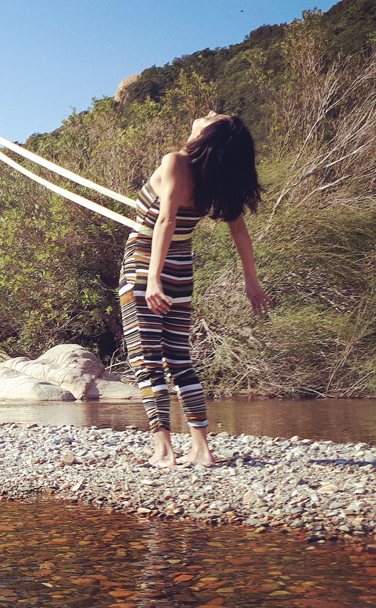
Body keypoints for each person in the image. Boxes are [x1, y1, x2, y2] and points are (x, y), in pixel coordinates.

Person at [119, 111, 270, 468]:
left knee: (147, 362)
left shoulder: (175, 162)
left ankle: (163, 452)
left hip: (144, 264)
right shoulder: (217, 178)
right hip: (183, 271)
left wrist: (152, 277)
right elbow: (240, 234)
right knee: (179, 361)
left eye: (213, 116)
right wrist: (252, 280)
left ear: (211, 133)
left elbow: (167, 219)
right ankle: (201, 450)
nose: (205, 114)